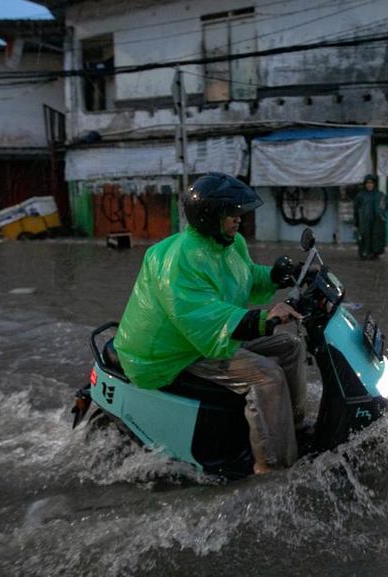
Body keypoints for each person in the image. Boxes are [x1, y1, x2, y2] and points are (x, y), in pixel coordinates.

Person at [113, 172, 307, 475]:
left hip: (201, 338)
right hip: (173, 352)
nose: (238, 218)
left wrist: (276, 276)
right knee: (266, 376)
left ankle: (293, 430)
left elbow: (244, 276)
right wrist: (263, 319)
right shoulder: (179, 260)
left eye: (239, 212)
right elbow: (201, 316)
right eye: (231, 213)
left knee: (290, 347)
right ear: (209, 217)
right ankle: (273, 470)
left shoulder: (230, 244)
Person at [354, 174, 388, 259]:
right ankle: (365, 253)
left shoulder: (380, 195)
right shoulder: (360, 195)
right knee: (365, 236)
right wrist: (357, 221)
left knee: (376, 236)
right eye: (367, 183)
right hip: (365, 220)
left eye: (371, 183)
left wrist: (382, 215)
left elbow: (385, 206)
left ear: (374, 184)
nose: (369, 185)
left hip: (377, 221)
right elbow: (356, 208)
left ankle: (375, 252)